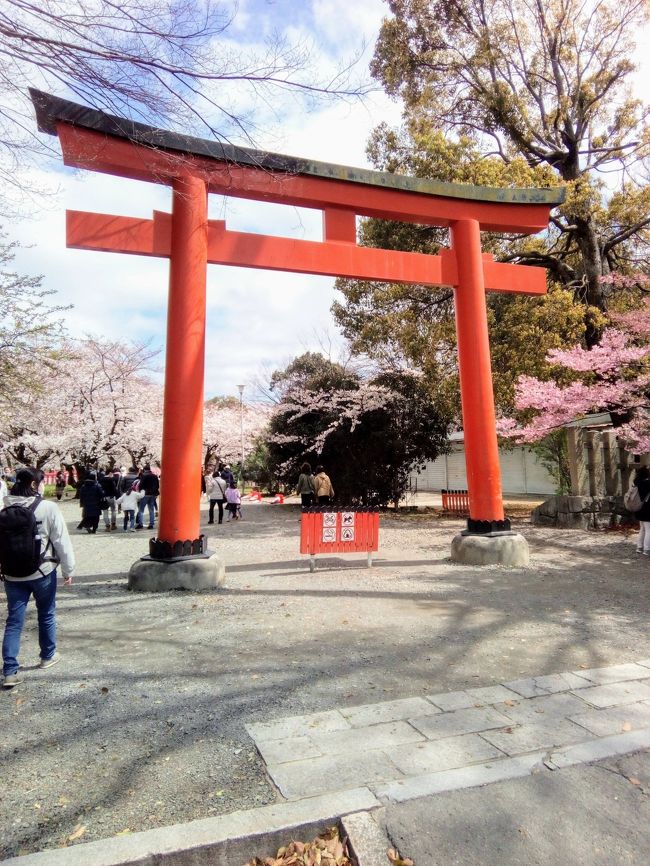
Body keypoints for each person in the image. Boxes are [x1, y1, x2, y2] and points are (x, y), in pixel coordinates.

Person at [1, 467, 75, 689]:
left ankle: (10, 671)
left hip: (12, 573)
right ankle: (47, 656)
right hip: (42, 571)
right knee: (46, 613)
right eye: (40, 482)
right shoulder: (47, 507)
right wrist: (68, 570)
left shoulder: (5, 507)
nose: (42, 485)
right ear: (33, 484)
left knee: (14, 621)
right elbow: (61, 540)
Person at [135, 464, 159, 530]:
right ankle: (151, 524)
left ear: (145, 470)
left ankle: (140, 524)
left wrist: (140, 492)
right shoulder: (155, 476)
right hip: (153, 494)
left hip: (145, 494)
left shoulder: (143, 476)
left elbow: (141, 485)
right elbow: (157, 485)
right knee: (151, 510)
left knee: (141, 510)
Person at [633, 466, 650, 555]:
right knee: (648, 530)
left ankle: (639, 547)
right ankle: (647, 549)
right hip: (647, 509)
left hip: (639, 508)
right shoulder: (648, 483)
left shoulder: (637, 482)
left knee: (642, 529)